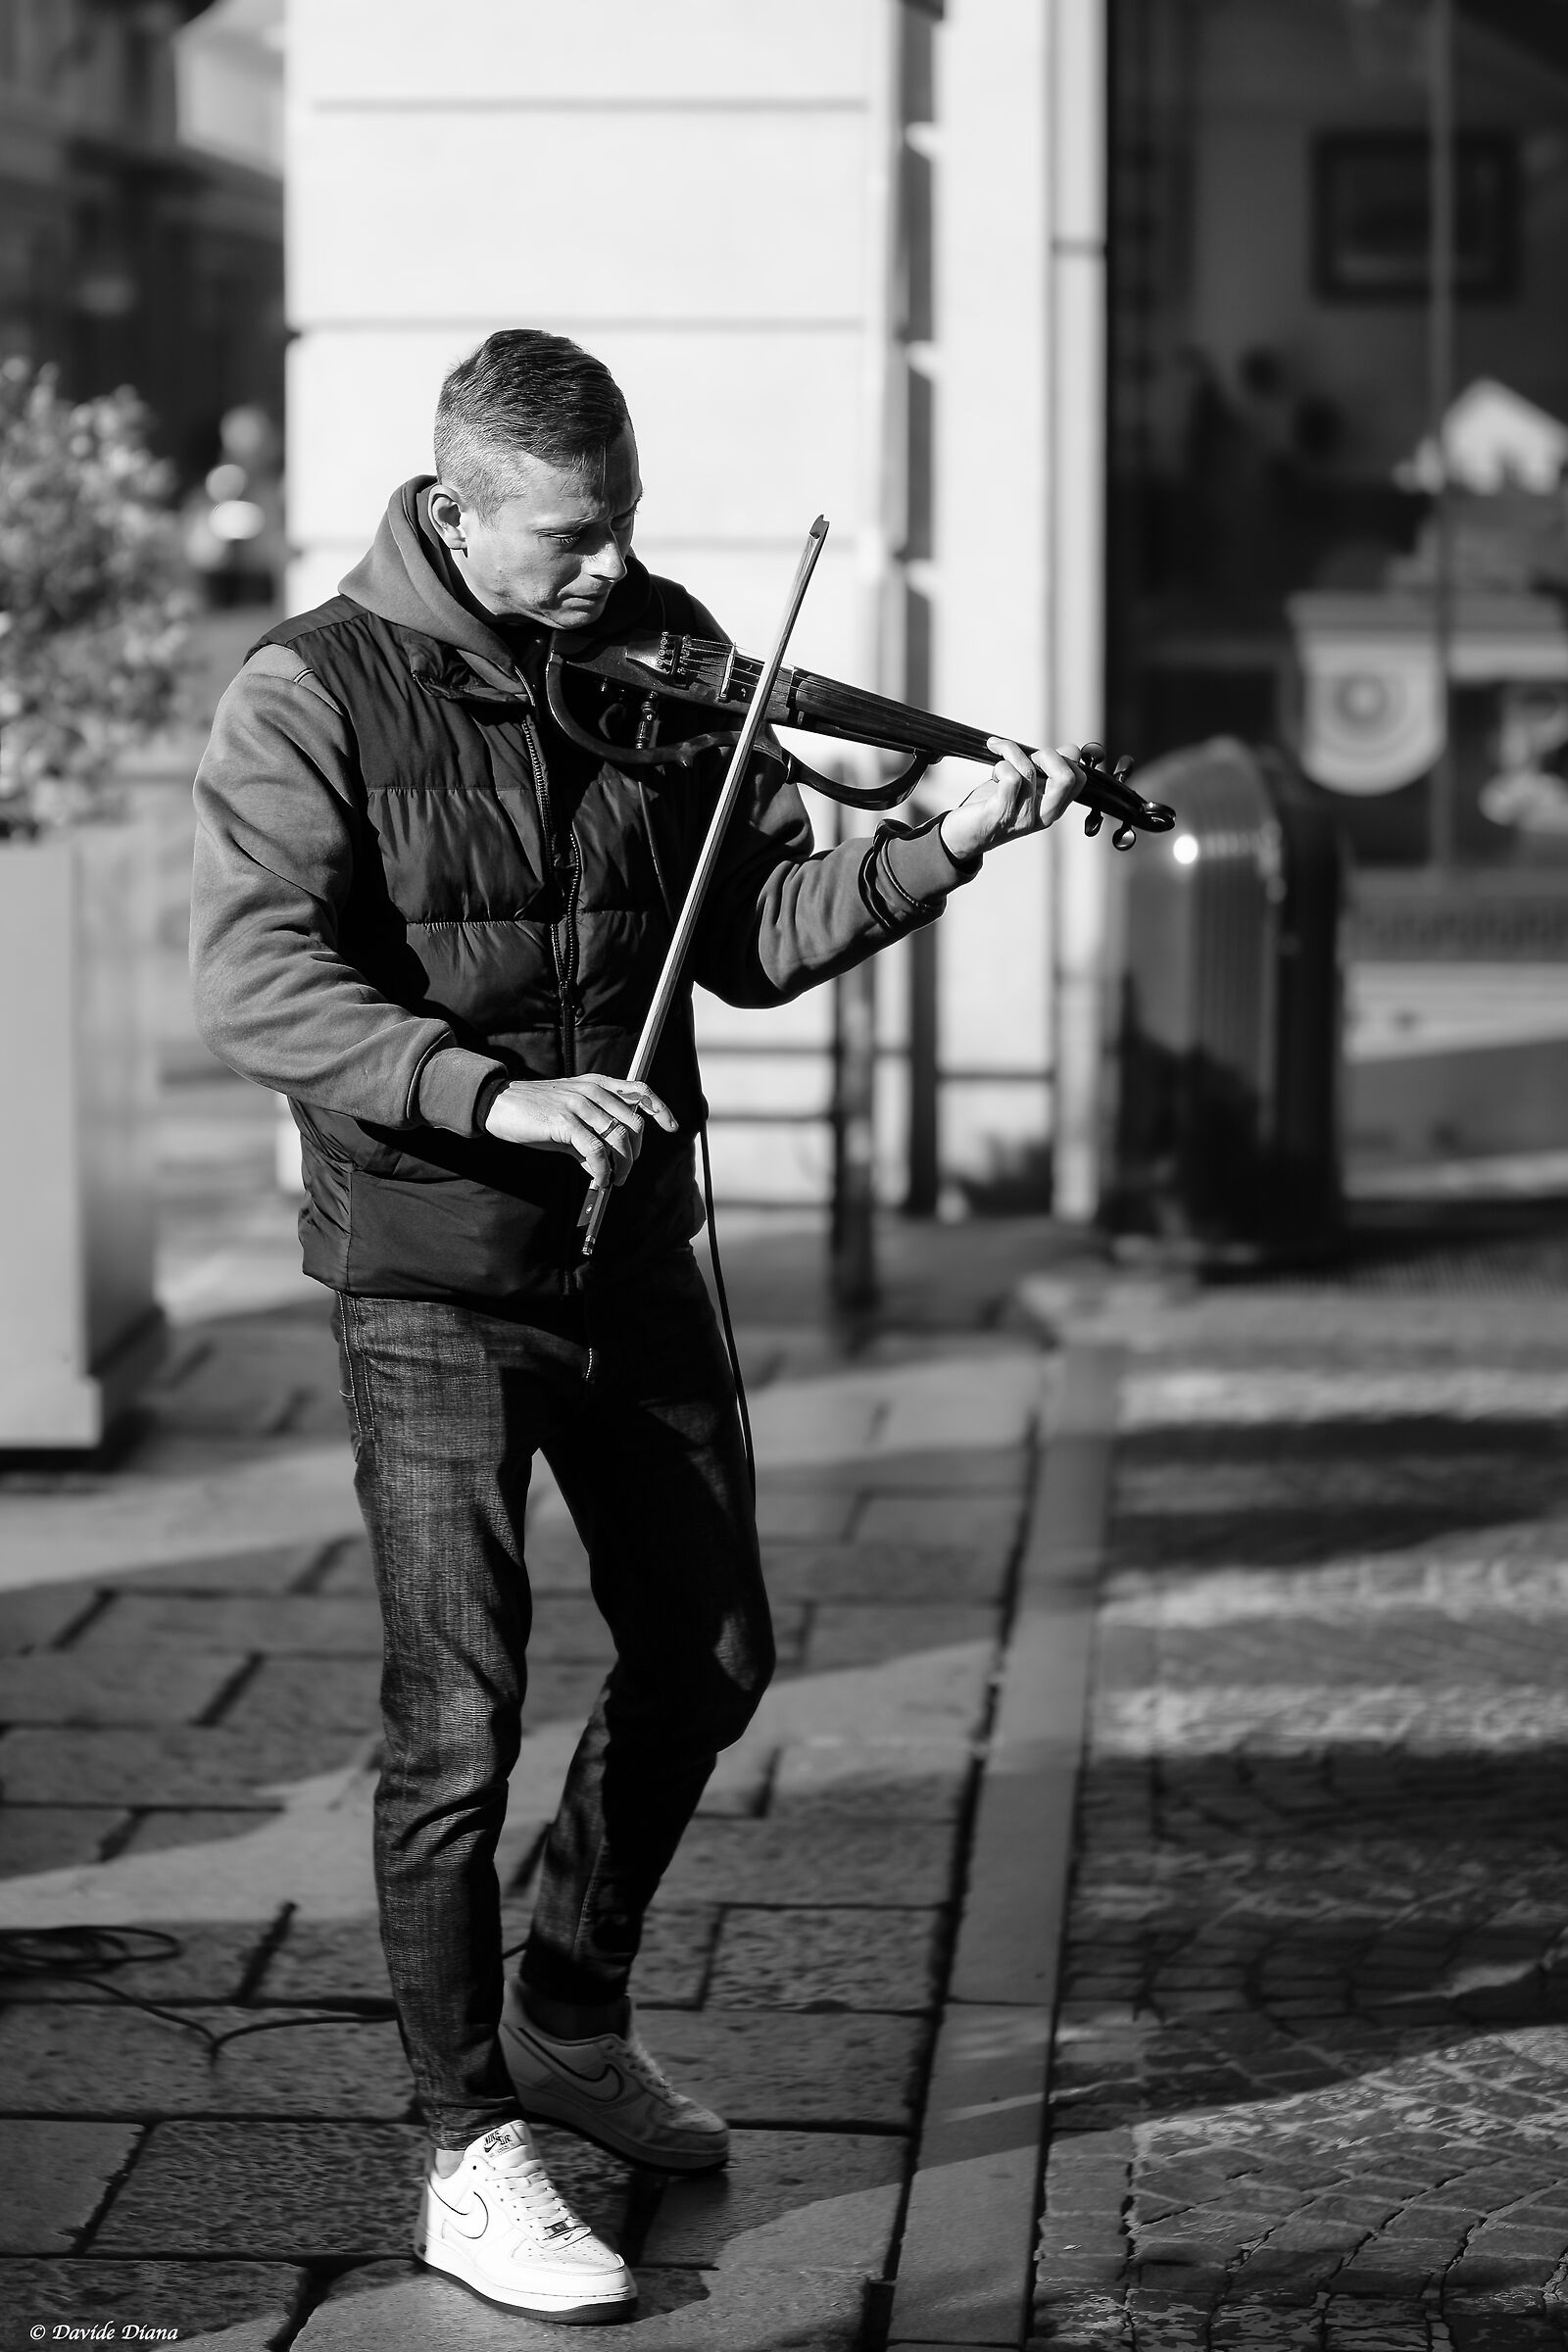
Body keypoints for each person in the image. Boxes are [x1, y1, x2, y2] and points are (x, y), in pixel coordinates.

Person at [189, 328, 1082, 2324]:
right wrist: (483, 1091)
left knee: (711, 1652)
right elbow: (255, 982)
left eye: (628, 529)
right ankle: (463, 2142)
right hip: (430, 1273)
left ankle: (570, 2008)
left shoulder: (662, 656)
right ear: (459, 505)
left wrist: (937, 845)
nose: (613, 573)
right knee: (456, 1720)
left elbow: (755, 936)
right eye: (572, 541)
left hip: (631, 1250)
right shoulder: (308, 692)